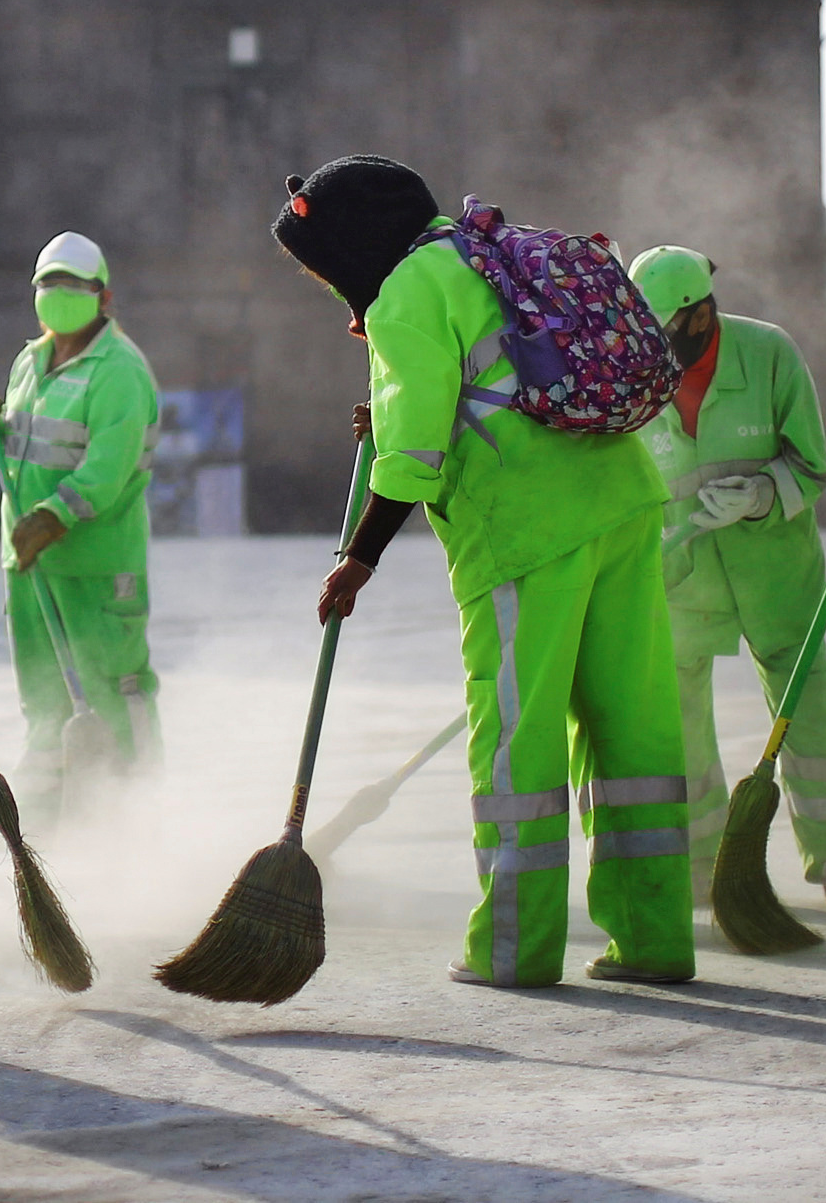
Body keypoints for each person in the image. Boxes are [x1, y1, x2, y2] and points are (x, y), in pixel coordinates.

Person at [281, 157, 693, 990]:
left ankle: (514, 946)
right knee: (635, 728)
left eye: (321, 268)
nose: (329, 288)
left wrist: (359, 555)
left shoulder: (406, 291)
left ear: (353, 245)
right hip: (621, 500)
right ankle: (653, 937)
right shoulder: (487, 251)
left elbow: (414, 454)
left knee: (518, 739)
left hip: (526, 532)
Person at [626, 247, 826, 909]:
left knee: (806, 706)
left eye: (667, 331)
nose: (656, 346)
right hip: (680, 573)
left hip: (773, 568)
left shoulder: (769, 354)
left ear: (701, 311)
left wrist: (764, 492)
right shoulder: (633, 369)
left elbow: (813, 463)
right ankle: (706, 863)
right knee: (678, 722)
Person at [0, 230, 161, 812]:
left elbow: (109, 466)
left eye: (74, 284)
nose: (60, 293)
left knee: (112, 692)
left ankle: (135, 810)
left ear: (104, 296)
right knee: (46, 701)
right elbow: (23, 451)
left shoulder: (119, 370)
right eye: (49, 283)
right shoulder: (32, 360)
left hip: (96, 567)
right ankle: (47, 820)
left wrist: (55, 515)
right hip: (28, 562)